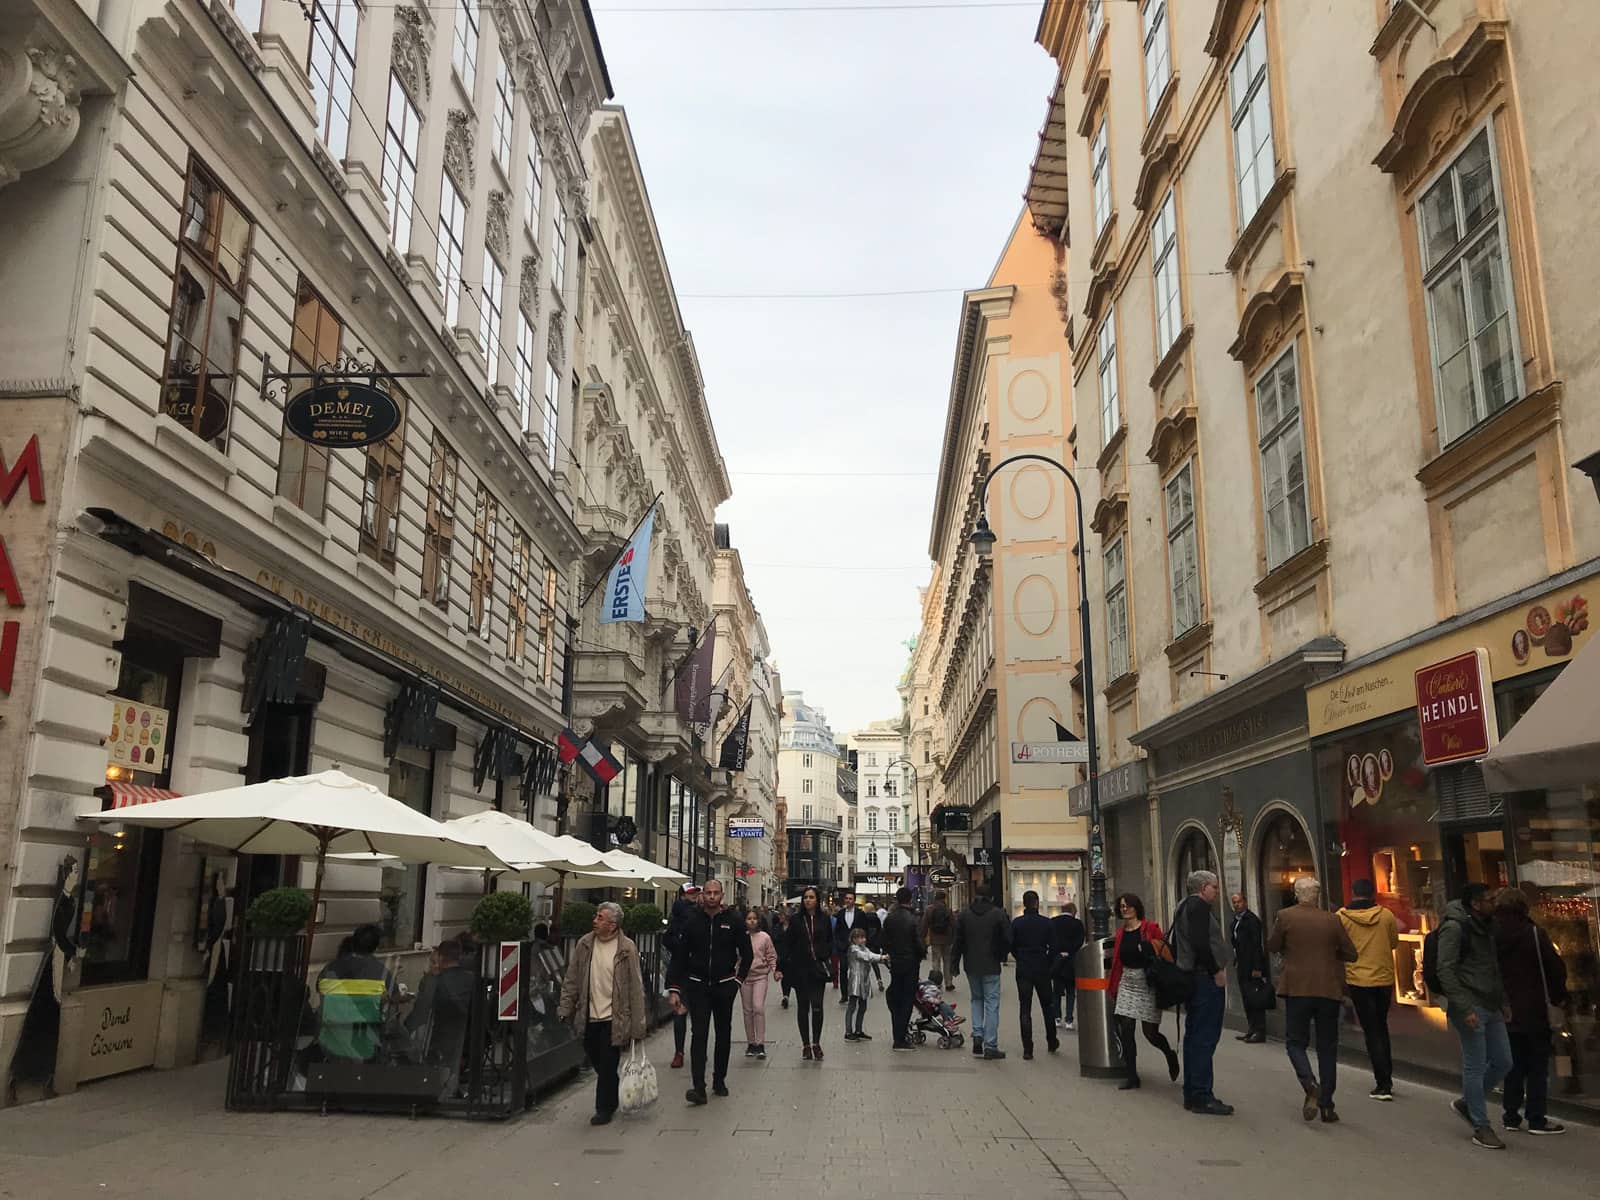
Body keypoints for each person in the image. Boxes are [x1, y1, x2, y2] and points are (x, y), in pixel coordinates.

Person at [1268, 876, 1358, 1123]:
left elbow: (1273, 945)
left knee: (1295, 1042)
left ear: (1297, 894)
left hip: (1298, 988)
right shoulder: (1332, 920)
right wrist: (1329, 955)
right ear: (1316, 896)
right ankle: (1327, 1106)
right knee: (1327, 1047)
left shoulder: (1285, 916)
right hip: (1328, 989)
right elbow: (1351, 953)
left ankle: (1309, 1083)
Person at [558, 901, 648, 1125]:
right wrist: (565, 1007)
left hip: (614, 1017)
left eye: (600, 918)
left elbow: (636, 988)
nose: (594, 921)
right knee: (595, 1056)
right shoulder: (585, 944)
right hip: (589, 1014)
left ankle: (604, 1109)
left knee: (608, 1062)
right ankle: (612, 1088)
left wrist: (638, 1025)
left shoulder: (626, 948)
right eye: (596, 916)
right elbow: (572, 979)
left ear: (613, 925)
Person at [1439, 882, 1513, 1150]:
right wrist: (1464, 1006)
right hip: (1470, 1003)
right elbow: (1445, 969)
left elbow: (1492, 967)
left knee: (1504, 1061)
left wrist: (1502, 999)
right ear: (1475, 903)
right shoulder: (1455, 927)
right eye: (1489, 899)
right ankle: (1481, 1125)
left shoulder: (1488, 927)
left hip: (1490, 1002)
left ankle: (1469, 1101)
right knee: (1475, 1063)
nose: (1495, 902)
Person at [666, 879, 752, 1106]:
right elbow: (680, 957)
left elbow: (747, 954)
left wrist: (737, 982)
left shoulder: (733, 921)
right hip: (698, 985)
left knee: (723, 1034)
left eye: (716, 893)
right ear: (703, 895)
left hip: (725, 985)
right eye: (708, 893)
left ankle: (719, 1080)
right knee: (699, 1034)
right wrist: (674, 988)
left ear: (722, 895)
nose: (712, 896)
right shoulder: (693, 921)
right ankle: (698, 1087)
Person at [1492, 887, 1568, 1136]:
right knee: (1537, 1066)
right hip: (1534, 1008)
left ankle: (1510, 1115)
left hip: (1504, 1010)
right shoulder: (1533, 933)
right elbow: (1554, 968)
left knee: (1512, 1064)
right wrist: (1559, 997)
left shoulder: (1490, 934)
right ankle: (1536, 1117)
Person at [1170, 870, 1233, 1115]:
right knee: (1204, 1037)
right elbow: (1200, 942)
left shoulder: (1183, 906)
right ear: (1204, 887)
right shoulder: (1198, 907)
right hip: (1203, 979)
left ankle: (1193, 1092)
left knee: (1194, 1036)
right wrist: (1215, 969)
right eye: (1215, 887)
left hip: (1192, 976)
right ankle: (1201, 1094)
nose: (1217, 892)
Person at [1107, 893, 1180, 1090]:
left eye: (1128, 906)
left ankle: (1169, 1054)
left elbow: (1166, 952)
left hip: (1148, 983)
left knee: (1150, 1033)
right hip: (1127, 982)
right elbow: (1117, 962)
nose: (1125, 909)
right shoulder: (1121, 933)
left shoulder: (1150, 928)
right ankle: (1132, 1076)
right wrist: (1113, 985)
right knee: (1126, 1028)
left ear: (1136, 907)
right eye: (1121, 906)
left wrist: (1148, 948)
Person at [1338, 878, 1401, 1100]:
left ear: (1353, 892)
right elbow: (1394, 942)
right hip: (1383, 978)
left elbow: (1339, 946)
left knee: (1370, 1029)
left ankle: (1382, 1082)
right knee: (1381, 1027)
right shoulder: (1386, 915)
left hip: (1357, 979)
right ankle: (1387, 1077)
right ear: (1372, 893)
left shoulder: (1342, 917)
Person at [951, 883, 1011, 1060]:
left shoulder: (965, 915)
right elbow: (1008, 938)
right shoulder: (998, 914)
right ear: (991, 897)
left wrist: (954, 964)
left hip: (971, 964)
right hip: (991, 964)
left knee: (976, 999)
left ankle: (977, 1035)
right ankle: (990, 1044)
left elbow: (958, 941)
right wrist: (1001, 955)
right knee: (991, 1003)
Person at [783, 886, 834, 1059]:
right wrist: (782, 967)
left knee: (817, 1006)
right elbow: (788, 944)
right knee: (803, 1008)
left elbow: (829, 940)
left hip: (818, 969)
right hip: (800, 969)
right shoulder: (796, 920)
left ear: (817, 900)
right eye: (805, 897)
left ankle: (816, 1043)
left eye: (811, 897)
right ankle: (806, 1045)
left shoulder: (824, 919)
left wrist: (825, 954)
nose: (808, 900)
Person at [1010, 890, 1060, 1060]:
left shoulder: (1017, 923)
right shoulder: (1047, 923)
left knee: (1025, 1008)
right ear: (1037, 903)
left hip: (1024, 967)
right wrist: (1048, 962)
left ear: (1024, 904)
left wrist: (1020, 956)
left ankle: (1028, 1048)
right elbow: (1054, 947)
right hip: (1042, 967)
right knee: (1048, 1005)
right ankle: (1052, 1040)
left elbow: (1012, 945)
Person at [880, 886, 925, 1051]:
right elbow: (919, 942)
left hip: (896, 963)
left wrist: (889, 954)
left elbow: (883, 940)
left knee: (896, 997)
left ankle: (897, 1034)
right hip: (911, 963)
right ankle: (900, 1038)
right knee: (907, 999)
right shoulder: (913, 918)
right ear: (910, 899)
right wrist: (920, 955)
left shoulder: (890, 918)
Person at [664, 883, 700, 1070]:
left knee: (697, 1017)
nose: (694, 895)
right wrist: (679, 947)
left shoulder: (699, 914)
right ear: (683, 895)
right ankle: (679, 1052)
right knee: (680, 1014)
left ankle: (695, 1051)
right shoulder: (679, 916)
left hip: (696, 973)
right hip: (681, 972)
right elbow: (667, 939)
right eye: (691, 893)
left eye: (695, 893)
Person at [1230, 892, 1270, 1044]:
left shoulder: (1251, 920)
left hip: (1252, 965)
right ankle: (1251, 1028)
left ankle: (1260, 1031)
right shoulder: (1236, 921)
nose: (1237, 905)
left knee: (1255, 998)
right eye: (1234, 902)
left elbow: (1256, 946)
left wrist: (1257, 967)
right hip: (1242, 964)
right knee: (1246, 998)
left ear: (1245, 902)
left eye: (1239, 902)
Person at [741, 909, 777, 1060]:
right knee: (747, 1011)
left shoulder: (765, 937)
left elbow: (771, 955)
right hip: (744, 977)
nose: (752, 921)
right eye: (749, 918)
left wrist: (774, 970)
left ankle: (760, 1043)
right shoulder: (741, 937)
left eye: (754, 918)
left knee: (758, 1007)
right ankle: (751, 1043)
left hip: (760, 976)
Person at [843, 926, 887, 1041]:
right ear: (853, 939)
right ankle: (848, 1032)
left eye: (864, 937)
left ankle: (858, 1030)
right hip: (856, 980)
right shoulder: (853, 949)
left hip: (865, 980)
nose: (863, 940)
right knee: (852, 1006)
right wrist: (881, 957)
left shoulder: (864, 948)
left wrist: (881, 958)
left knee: (863, 1006)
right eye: (860, 938)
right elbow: (867, 957)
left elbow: (871, 954)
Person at [1051, 901, 1086, 1030]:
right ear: (1073, 911)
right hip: (1071, 961)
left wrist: (1058, 952)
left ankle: (1057, 1017)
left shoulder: (1053, 922)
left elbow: (1050, 940)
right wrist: (1070, 951)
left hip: (1057, 960)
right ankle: (1069, 1020)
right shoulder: (1077, 924)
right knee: (1071, 991)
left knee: (1056, 991)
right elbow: (1080, 941)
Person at [833, 892, 871, 1003]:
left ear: (854, 901)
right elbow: (837, 931)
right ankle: (844, 995)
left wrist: (862, 944)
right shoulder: (840, 914)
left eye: (850, 899)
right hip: (844, 948)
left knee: (857, 971)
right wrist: (839, 944)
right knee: (843, 971)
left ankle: (857, 993)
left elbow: (865, 929)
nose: (848, 900)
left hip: (857, 948)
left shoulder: (860, 914)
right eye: (846, 898)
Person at [921, 891, 958, 991]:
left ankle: (936, 983)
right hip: (947, 939)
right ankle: (949, 983)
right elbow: (954, 924)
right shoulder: (948, 910)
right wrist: (955, 938)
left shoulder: (929, 909)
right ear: (944, 898)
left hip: (935, 939)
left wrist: (922, 938)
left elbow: (924, 925)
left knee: (936, 961)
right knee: (947, 961)